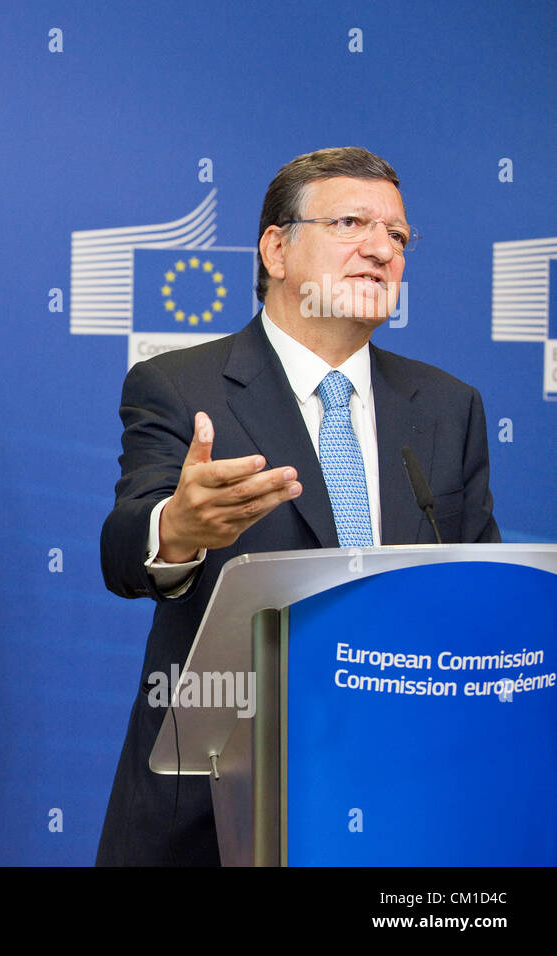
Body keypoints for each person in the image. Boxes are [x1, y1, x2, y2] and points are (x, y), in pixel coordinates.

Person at [96, 147, 499, 866]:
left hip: (402, 795)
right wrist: (179, 530)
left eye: (398, 236)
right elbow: (127, 547)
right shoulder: (181, 386)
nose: (381, 249)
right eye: (352, 223)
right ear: (276, 248)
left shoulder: (448, 407)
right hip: (220, 806)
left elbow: (478, 591)